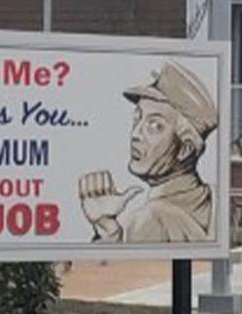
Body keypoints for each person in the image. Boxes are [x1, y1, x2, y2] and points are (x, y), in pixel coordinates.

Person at [78, 62, 217, 244]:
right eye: (138, 118)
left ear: (185, 149)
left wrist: (109, 236)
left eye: (154, 125)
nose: (135, 134)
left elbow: (119, 271)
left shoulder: (149, 220)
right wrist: (108, 229)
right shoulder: (217, 200)